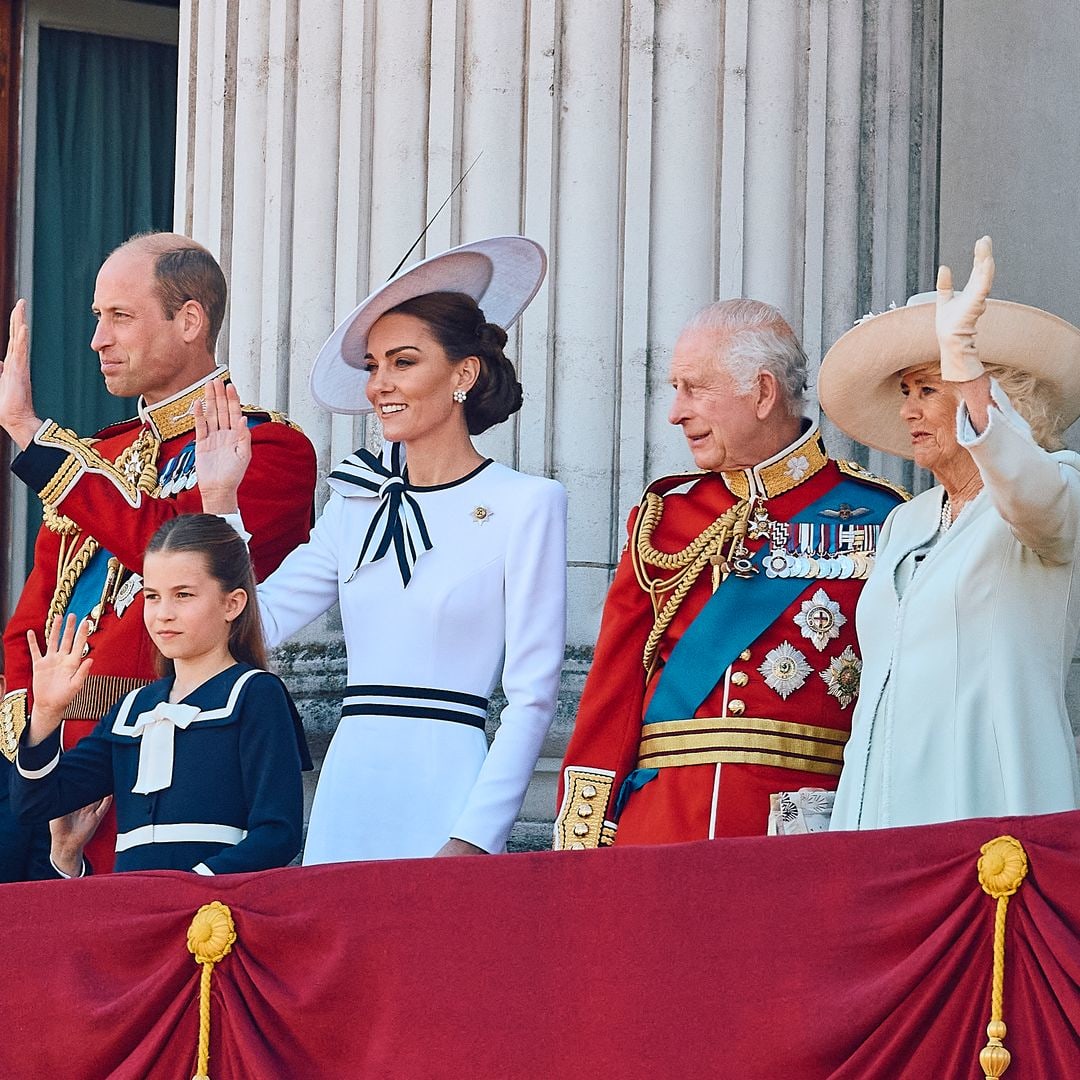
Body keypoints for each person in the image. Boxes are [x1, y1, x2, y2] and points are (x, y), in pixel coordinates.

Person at [196, 236, 567, 862]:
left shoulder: (527, 503)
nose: (379, 385)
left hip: (451, 789)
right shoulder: (356, 500)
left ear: (463, 374)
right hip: (351, 789)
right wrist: (221, 500)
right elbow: (259, 621)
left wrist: (476, 836)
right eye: (373, 365)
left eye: (402, 362)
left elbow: (534, 696)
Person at [0, 232, 317, 876]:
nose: (98, 340)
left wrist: (34, 437)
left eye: (120, 317)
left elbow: (174, 548)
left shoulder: (270, 448)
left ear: (190, 320)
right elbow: (34, 618)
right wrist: (31, 733)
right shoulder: (100, 457)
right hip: (48, 758)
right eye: (97, 318)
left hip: (157, 760)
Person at [554, 299, 907, 848]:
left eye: (694, 388)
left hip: (805, 834)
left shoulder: (884, 517)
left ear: (762, 393)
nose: (675, 412)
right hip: (661, 830)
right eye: (676, 388)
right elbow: (611, 697)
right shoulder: (665, 518)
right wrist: (581, 847)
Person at [819, 237, 1080, 829]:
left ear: (991, 395)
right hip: (881, 809)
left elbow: (1032, 497)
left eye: (928, 390)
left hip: (991, 802)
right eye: (905, 392)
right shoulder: (904, 521)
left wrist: (963, 365)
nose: (908, 410)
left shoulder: (1056, 490)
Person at [10, 515, 307, 875]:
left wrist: (191, 888)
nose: (164, 614)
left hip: (216, 917)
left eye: (183, 595)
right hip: (137, 912)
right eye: (152, 596)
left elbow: (278, 833)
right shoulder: (132, 710)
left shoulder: (255, 694)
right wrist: (46, 713)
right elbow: (36, 803)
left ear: (233, 604)